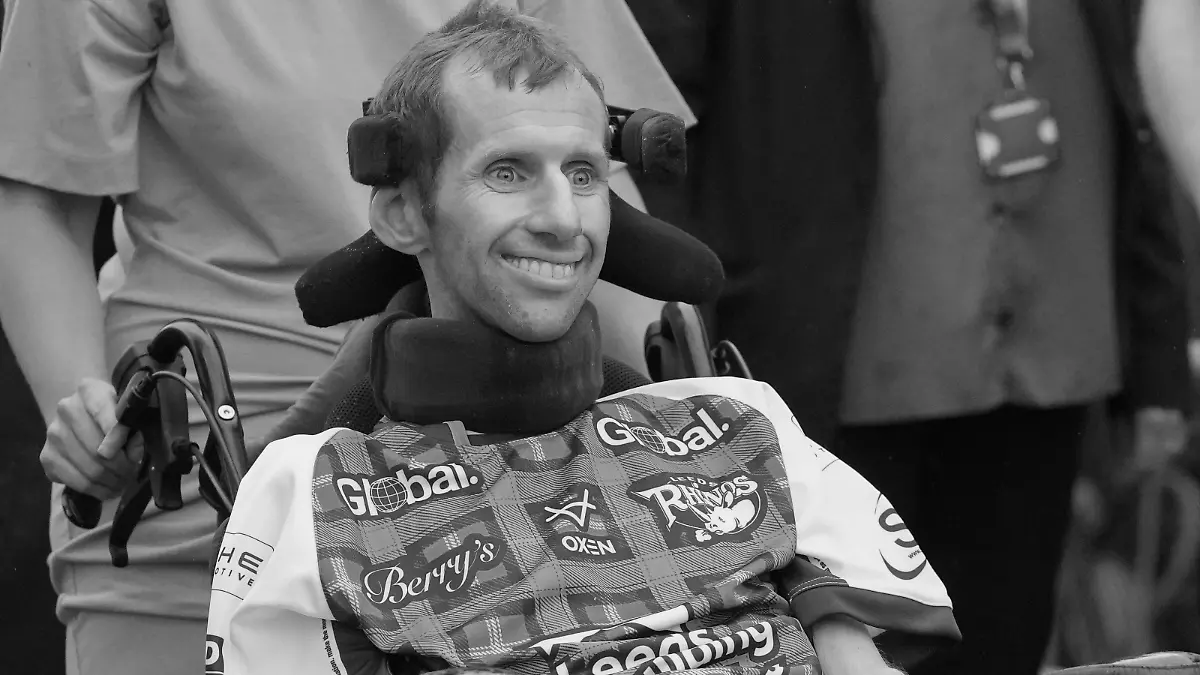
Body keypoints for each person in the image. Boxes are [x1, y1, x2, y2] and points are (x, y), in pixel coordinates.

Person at [207, 4, 961, 674]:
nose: (563, 218)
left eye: (583, 174)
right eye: (508, 171)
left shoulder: (737, 426)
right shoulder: (312, 496)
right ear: (404, 214)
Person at [0, 1, 688, 673]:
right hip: (200, 469)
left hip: (492, 475)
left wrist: (686, 442)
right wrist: (91, 418)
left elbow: (589, 188)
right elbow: (38, 195)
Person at [632, 1, 1192, 674]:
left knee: (1004, 639)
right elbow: (654, 128)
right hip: (826, 367)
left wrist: (1158, 353)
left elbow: (1132, 109)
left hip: (1050, 351)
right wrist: (679, 343)